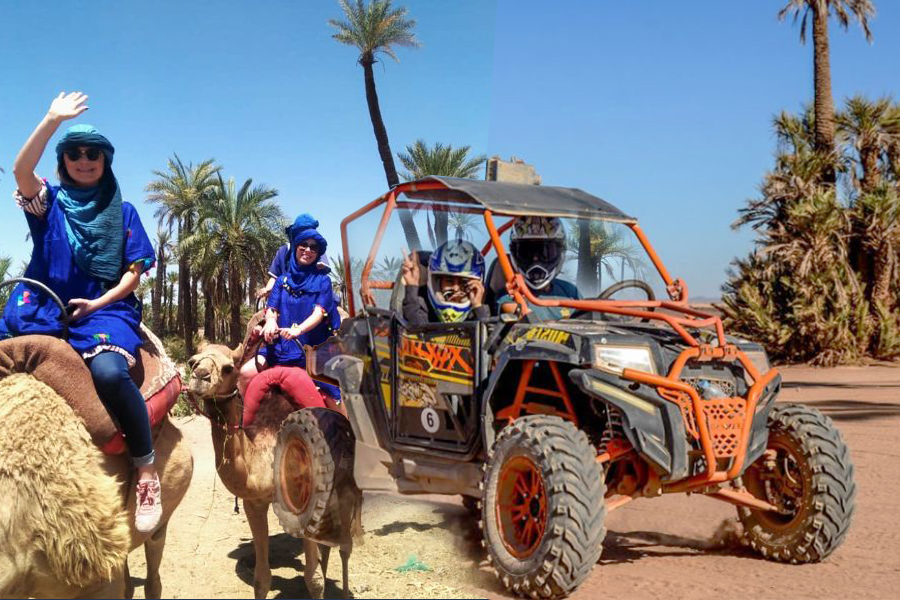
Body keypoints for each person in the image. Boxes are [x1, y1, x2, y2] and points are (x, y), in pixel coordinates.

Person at [0, 92, 162, 532]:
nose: (84, 160)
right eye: (75, 153)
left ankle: (146, 468)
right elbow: (19, 170)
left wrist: (99, 302)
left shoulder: (123, 211)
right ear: (64, 160)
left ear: (105, 161)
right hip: (41, 306)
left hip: (102, 310)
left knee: (109, 374)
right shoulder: (48, 202)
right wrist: (51, 118)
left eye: (93, 154)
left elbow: (134, 271)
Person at [238, 220, 341, 398]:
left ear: (318, 253)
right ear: (296, 246)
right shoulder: (282, 280)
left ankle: (344, 424)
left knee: (335, 393)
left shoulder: (323, 281)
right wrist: (270, 321)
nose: (308, 250)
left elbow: (319, 312)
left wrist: (298, 330)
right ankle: (243, 420)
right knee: (245, 374)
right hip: (279, 347)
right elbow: (272, 307)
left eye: (313, 248)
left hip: (311, 347)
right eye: (303, 245)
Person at [495, 216, 580, 319]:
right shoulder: (510, 295)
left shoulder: (569, 291)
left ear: (559, 253)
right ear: (515, 253)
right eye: (527, 252)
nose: (536, 260)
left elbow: (589, 317)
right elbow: (522, 317)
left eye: (545, 252)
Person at [401, 239, 489, 325]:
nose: (455, 288)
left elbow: (487, 336)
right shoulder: (424, 306)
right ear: (437, 283)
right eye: (449, 281)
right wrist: (412, 286)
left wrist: (477, 306)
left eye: (463, 282)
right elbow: (415, 328)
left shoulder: (479, 312)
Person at [256, 213, 330, 302]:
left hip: (312, 297)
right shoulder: (283, 251)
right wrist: (267, 290)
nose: (307, 250)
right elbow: (274, 276)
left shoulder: (316, 250)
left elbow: (323, 276)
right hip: (286, 297)